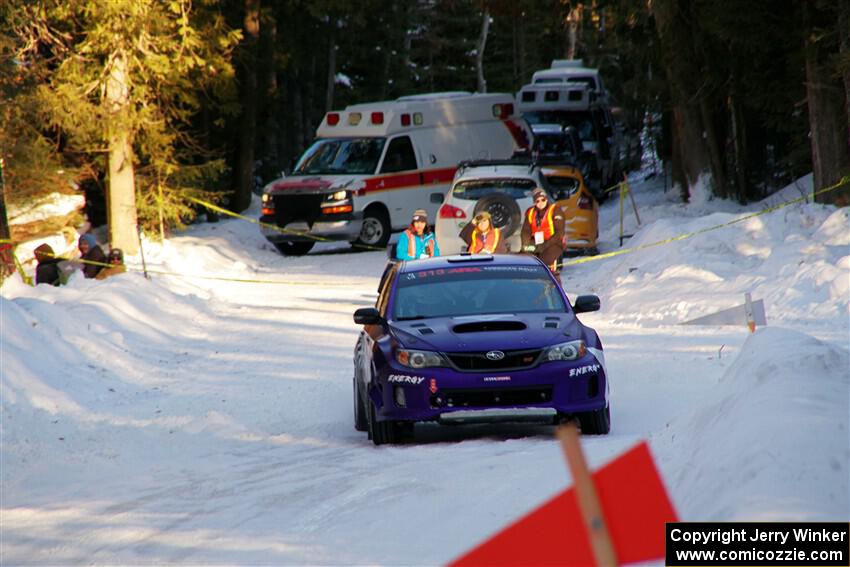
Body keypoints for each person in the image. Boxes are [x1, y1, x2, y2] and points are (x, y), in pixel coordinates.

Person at [521, 187, 567, 280]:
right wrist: (526, 244)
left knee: (543, 263)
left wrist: (544, 245)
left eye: (543, 199)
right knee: (525, 261)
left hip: (554, 243)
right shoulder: (530, 212)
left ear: (546, 199)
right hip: (537, 243)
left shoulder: (555, 210)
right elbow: (525, 230)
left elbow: (559, 233)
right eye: (537, 201)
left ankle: (555, 285)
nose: (541, 203)